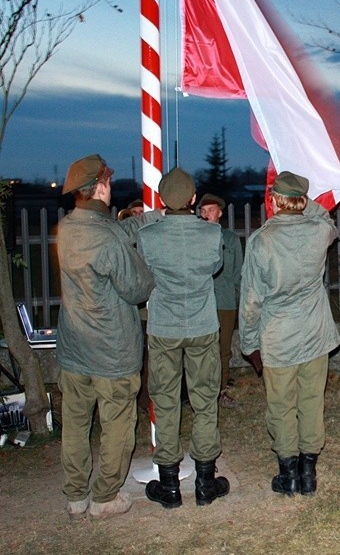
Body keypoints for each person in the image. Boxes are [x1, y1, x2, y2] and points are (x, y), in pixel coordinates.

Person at [57, 154, 155, 520]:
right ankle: (105, 497)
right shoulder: (108, 237)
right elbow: (137, 287)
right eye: (108, 182)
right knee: (117, 425)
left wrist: (139, 223)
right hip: (112, 352)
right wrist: (147, 265)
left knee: (77, 424)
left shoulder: (67, 229)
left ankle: (76, 495)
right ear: (99, 186)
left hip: (74, 349)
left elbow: (107, 237)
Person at [239, 172, 340, 497]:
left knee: (281, 406)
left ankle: (290, 475)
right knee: (312, 401)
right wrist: (303, 200)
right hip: (315, 334)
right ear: (300, 200)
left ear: (274, 200)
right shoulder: (319, 232)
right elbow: (324, 216)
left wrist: (249, 343)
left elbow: (251, 301)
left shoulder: (261, 241)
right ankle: (308, 473)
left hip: (278, 338)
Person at [137, 167, 229, 508]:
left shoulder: (149, 236)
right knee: (205, 399)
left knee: (165, 400)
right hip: (202, 324)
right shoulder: (211, 234)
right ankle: (205, 482)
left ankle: (170, 486)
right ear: (193, 200)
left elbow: (146, 270)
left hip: (164, 327)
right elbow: (215, 267)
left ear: (162, 200)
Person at [198, 193, 244, 409]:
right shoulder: (195, 237)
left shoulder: (231, 239)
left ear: (220, 212)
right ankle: (201, 391)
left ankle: (221, 390)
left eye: (211, 210)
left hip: (224, 302)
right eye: (203, 210)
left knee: (223, 349)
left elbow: (237, 273)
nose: (207, 214)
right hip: (200, 302)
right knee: (200, 349)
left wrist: (235, 300)